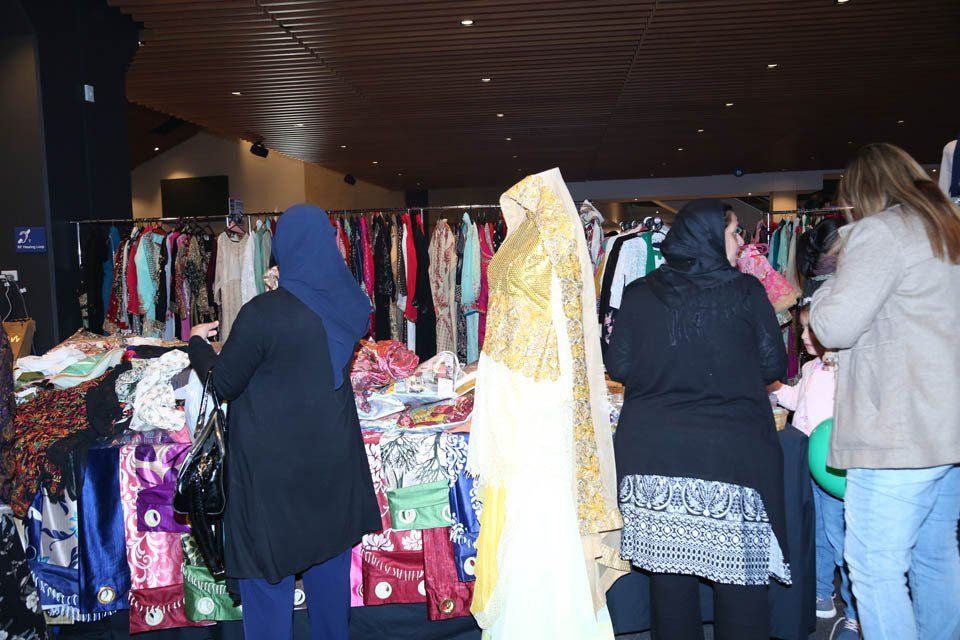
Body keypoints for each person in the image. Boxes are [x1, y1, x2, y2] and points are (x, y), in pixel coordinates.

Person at [189, 204, 381, 640]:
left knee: (268, 586)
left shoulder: (263, 314)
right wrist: (286, 288)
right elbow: (313, 322)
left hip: (274, 479)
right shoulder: (350, 303)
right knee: (329, 580)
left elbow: (223, 383)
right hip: (331, 467)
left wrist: (196, 344)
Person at [606, 200, 789, 640]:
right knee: (741, 585)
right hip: (731, 462)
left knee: (670, 585)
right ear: (709, 235)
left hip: (656, 460)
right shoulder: (745, 292)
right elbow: (772, 366)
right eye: (734, 232)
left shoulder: (640, 292)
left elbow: (620, 365)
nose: (742, 241)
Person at [810, 142, 960, 640]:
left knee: (874, 570)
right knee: (935, 557)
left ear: (861, 194)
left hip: (897, 433)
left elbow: (834, 328)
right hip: (946, 429)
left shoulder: (880, 234)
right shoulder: (947, 230)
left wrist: (830, 277)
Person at [772, 305, 859, 640]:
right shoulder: (810, 368)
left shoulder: (849, 371)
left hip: (835, 469)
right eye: (803, 330)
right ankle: (822, 591)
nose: (804, 337)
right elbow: (797, 400)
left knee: (842, 538)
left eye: (812, 330)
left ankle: (854, 612)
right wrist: (775, 387)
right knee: (818, 533)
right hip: (808, 466)